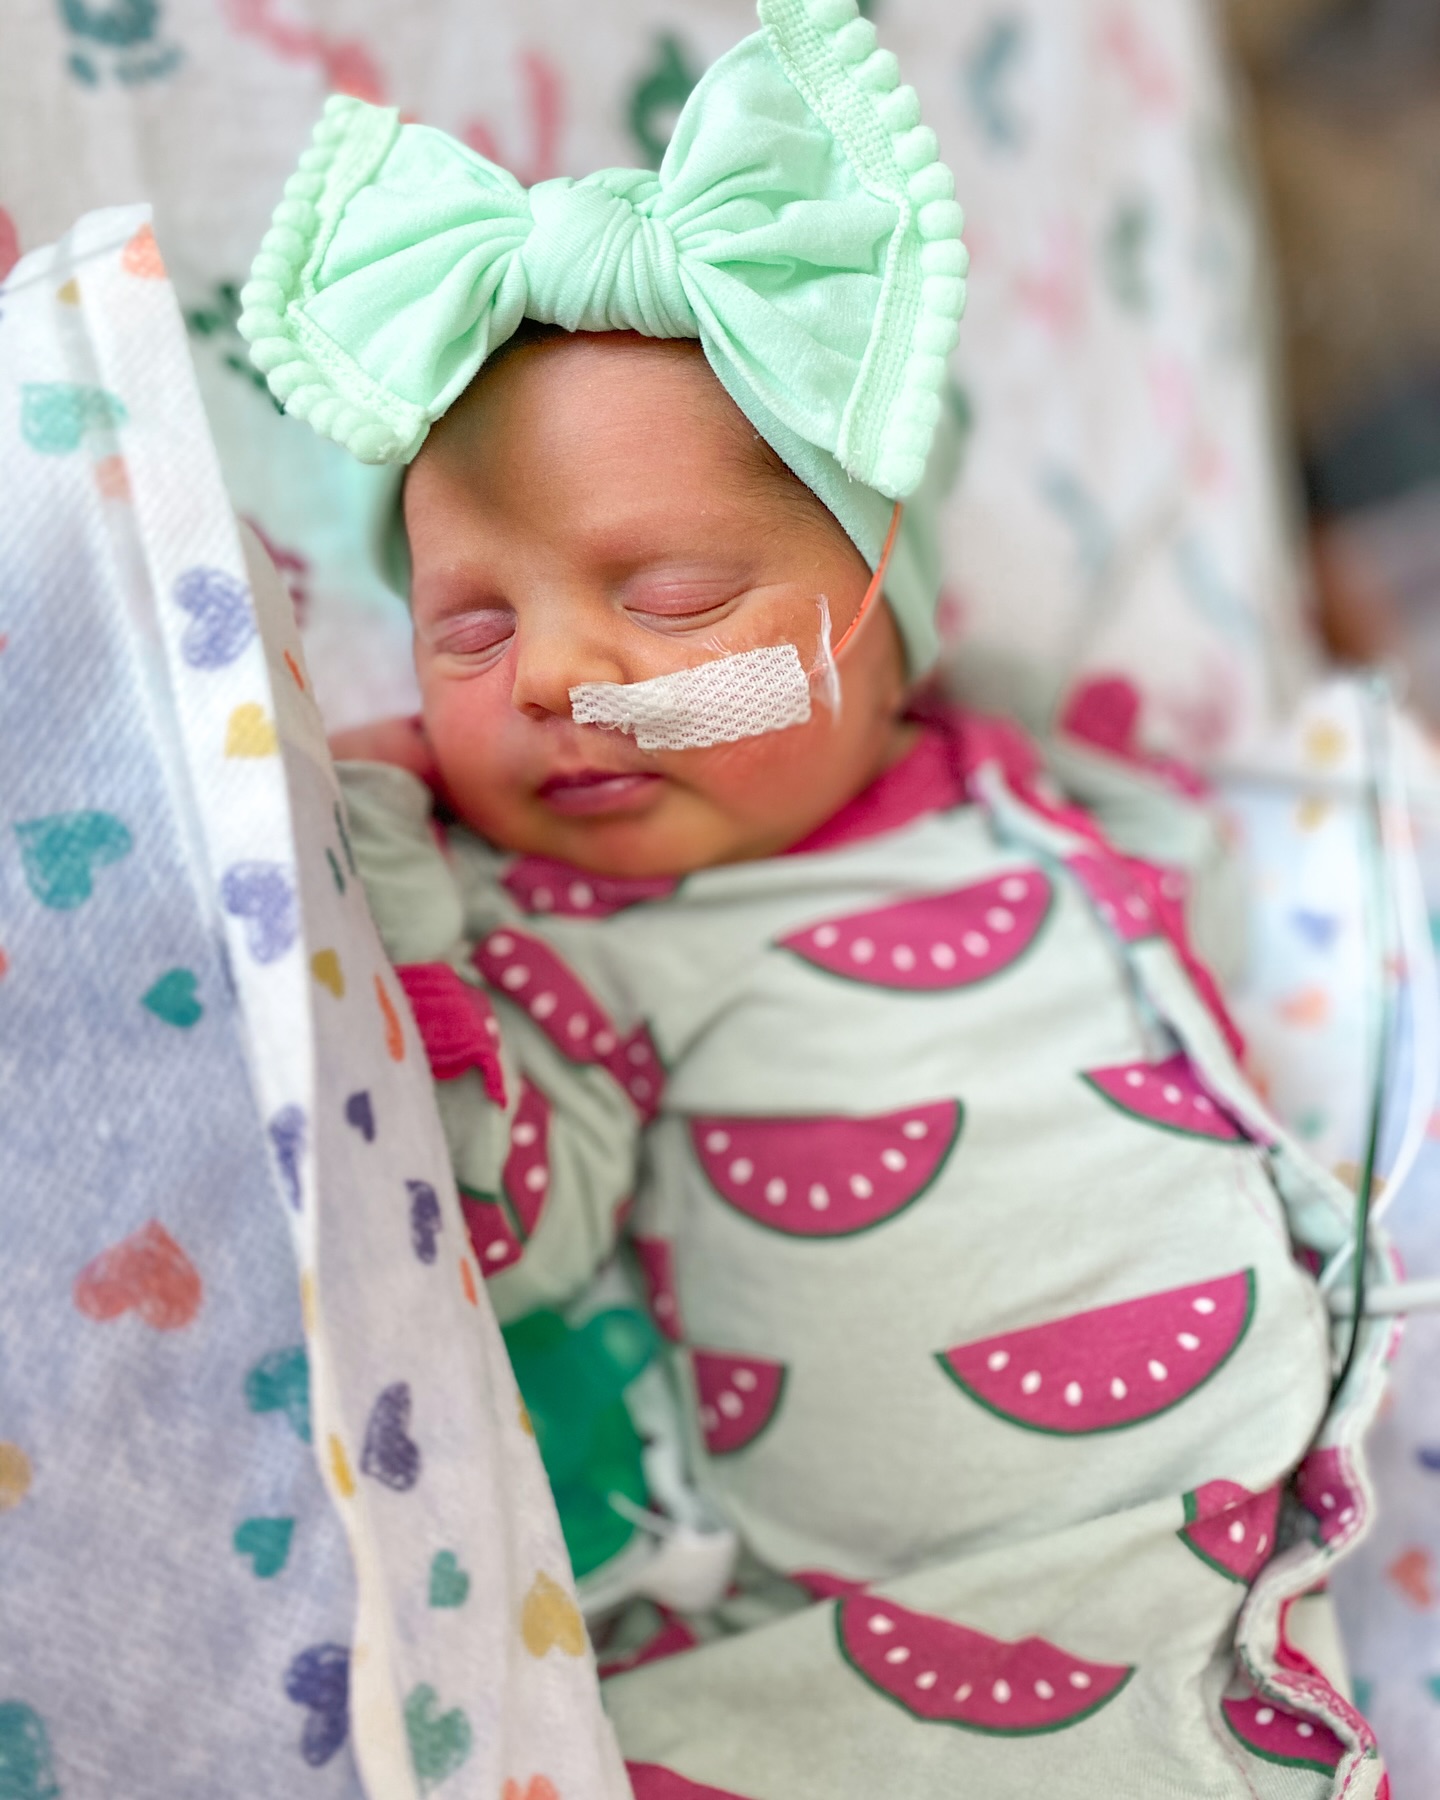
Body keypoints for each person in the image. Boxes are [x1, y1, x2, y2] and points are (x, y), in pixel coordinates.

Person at [239, 4, 1385, 1792]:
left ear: (880, 620)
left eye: (674, 602)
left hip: (1236, 1580)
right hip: (852, 1659)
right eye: (469, 629)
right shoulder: (565, 943)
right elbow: (500, 1223)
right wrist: (399, 884)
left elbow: (1197, 905)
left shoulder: (1018, 789)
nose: (556, 677)